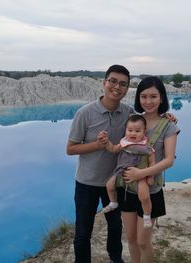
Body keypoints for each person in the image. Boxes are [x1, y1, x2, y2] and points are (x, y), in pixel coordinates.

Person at [66, 64, 132, 263]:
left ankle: (115, 258)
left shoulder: (128, 112)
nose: (117, 87)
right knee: (84, 231)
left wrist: (167, 117)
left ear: (127, 89)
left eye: (123, 84)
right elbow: (70, 149)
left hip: (114, 182)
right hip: (87, 182)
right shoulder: (85, 113)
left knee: (115, 226)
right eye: (113, 81)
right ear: (103, 83)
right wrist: (97, 144)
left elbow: (145, 126)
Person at [117, 76, 180, 263]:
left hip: (150, 191)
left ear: (162, 98)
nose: (148, 101)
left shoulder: (169, 126)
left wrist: (141, 173)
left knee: (144, 241)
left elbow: (169, 160)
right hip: (128, 188)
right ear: (138, 98)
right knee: (131, 239)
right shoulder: (134, 122)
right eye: (143, 96)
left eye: (153, 96)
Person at [100, 114, 156, 229]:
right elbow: (113, 149)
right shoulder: (124, 143)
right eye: (129, 130)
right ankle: (113, 202)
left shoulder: (146, 147)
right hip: (121, 172)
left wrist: (150, 176)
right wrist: (106, 142)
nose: (133, 133)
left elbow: (152, 163)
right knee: (109, 185)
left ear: (144, 131)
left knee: (144, 196)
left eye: (137, 131)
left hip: (140, 175)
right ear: (125, 130)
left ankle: (146, 215)